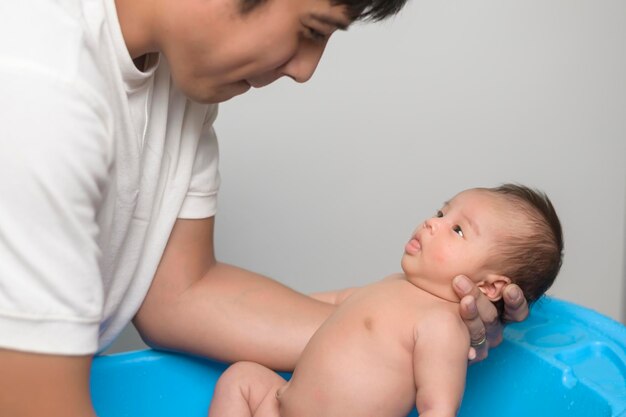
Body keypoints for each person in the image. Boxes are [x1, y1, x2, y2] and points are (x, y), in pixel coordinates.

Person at [0, 0, 529, 415]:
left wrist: (405, 325)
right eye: (312, 29)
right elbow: (33, 405)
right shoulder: (39, 88)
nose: (305, 70)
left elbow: (180, 294)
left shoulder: (182, 88)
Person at [208, 183, 563, 417]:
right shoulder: (393, 284)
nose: (430, 223)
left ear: (489, 288)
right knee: (242, 378)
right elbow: (336, 301)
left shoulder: (441, 325)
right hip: (280, 404)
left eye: (458, 230)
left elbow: (438, 406)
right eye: (441, 213)